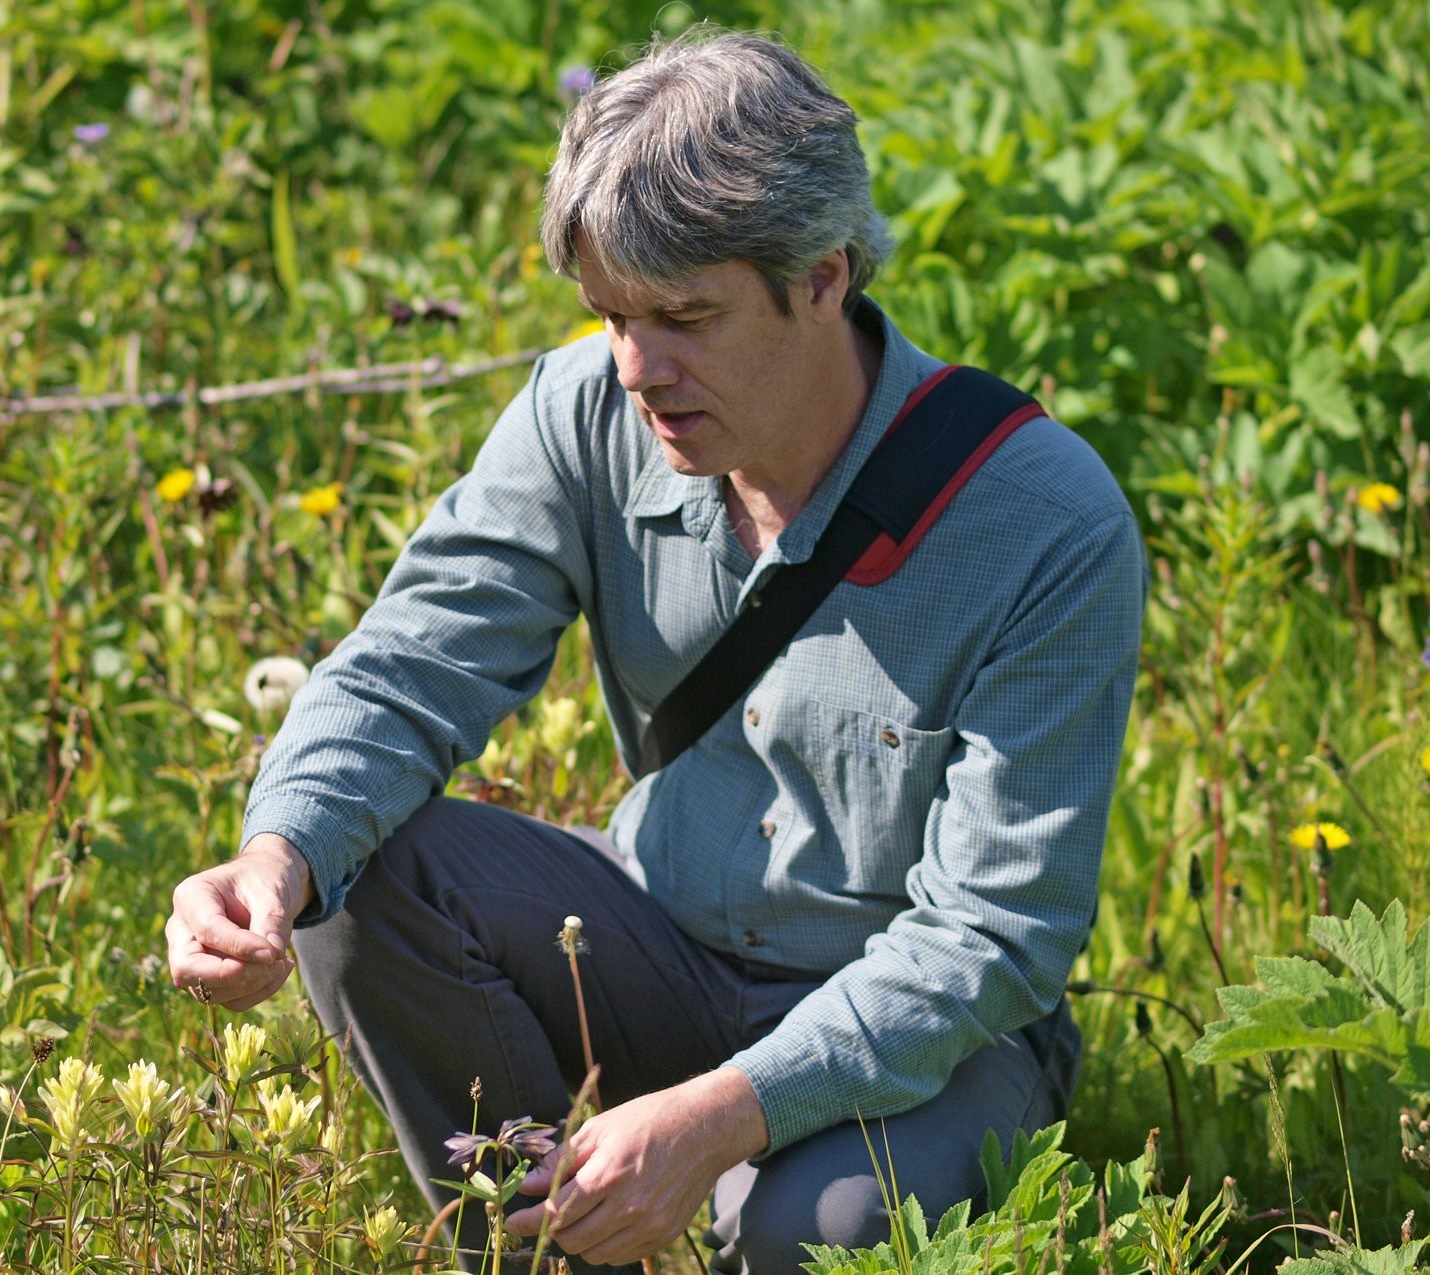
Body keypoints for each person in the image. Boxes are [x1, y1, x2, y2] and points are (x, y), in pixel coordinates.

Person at [166, 28, 1146, 1274]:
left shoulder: (1040, 523)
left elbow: (995, 938)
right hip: (657, 940)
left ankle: (731, 1190)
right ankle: (550, 1253)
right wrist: (274, 857)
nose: (638, 369)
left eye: (684, 315)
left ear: (824, 278)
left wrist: (721, 1117)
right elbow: (410, 662)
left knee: (816, 1234)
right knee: (357, 879)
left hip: (926, 1041)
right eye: (610, 316)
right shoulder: (584, 409)